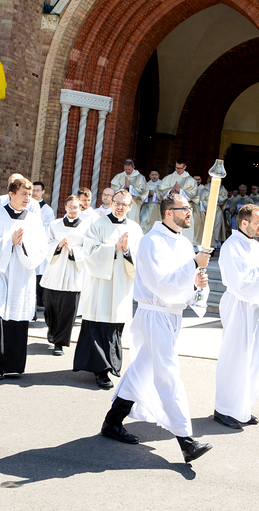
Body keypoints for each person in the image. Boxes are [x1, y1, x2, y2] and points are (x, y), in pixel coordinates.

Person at [100, 193, 213, 464]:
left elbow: (185, 281)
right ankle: (186, 441)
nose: (189, 212)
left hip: (173, 315)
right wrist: (193, 264)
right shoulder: (152, 241)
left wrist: (197, 284)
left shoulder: (184, 242)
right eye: (184, 208)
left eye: (190, 208)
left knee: (142, 369)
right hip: (155, 314)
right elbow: (161, 283)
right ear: (168, 212)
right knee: (167, 374)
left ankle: (112, 421)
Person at [0, 176, 49, 384]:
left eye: (30, 194)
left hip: (20, 276)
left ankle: (4, 366)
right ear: (11, 194)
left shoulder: (33, 220)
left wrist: (21, 245)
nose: (28, 198)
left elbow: (41, 249)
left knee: (15, 321)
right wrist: (9, 241)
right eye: (24, 193)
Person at [214, 203, 259, 429]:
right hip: (238, 305)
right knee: (235, 358)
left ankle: (241, 407)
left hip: (254, 307)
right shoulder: (231, 246)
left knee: (253, 357)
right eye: (258, 222)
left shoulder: (256, 246)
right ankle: (224, 409)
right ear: (244, 223)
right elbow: (239, 281)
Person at [74, 189, 143, 389]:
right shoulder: (99, 224)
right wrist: (114, 248)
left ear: (130, 207)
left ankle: (111, 365)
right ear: (111, 203)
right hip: (100, 285)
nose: (120, 207)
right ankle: (100, 370)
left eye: (124, 204)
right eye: (117, 203)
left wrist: (127, 250)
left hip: (121, 285)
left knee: (114, 328)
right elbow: (89, 252)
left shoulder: (135, 228)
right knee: (98, 325)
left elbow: (141, 257)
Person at [40, 196, 88, 356]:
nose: (73, 210)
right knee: (49, 308)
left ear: (80, 208)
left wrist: (74, 250)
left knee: (67, 311)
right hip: (54, 271)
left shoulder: (86, 228)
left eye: (76, 207)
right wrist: (58, 245)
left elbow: (88, 249)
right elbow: (45, 244)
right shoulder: (54, 225)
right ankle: (52, 332)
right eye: (70, 207)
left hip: (73, 272)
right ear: (65, 207)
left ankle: (59, 343)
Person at [157, 160, 199, 245]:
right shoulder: (169, 178)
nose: (177, 170)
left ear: (185, 167)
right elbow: (160, 189)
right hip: (170, 209)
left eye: (180, 168)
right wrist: (170, 190)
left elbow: (193, 194)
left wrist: (180, 191)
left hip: (184, 210)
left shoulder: (191, 180)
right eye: (176, 168)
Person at [32, 181, 56, 314]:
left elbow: (48, 227)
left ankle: (40, 301)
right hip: (28, 244)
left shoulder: (47, 210)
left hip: (40, 244)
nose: (34, 193)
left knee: (39, 274)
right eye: (33, 190)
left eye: (37, 190)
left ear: (43, 192)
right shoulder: (27, 206)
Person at [111, 159, 147, 224]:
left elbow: (143, 192)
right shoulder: (120, 176)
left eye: (129, 169)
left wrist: (130, 187)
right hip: (121, 203)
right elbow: (114, 188)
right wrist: (124, 187)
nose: (127, 171)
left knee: (131, 221)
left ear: (133, 167)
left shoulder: (140, 178)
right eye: (125, 169)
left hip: (134, 204)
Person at [139, 170, 161, 234]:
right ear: (149, 176)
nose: (154, 176)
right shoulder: (146, 184)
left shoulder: (161, 184)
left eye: (156, 175)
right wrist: (146, 194)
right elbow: (141, 195)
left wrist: (154, 194)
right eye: (152, 175)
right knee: (144, 221)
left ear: (158, 175)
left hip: (157, 208)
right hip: (147, 207)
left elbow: (163, 196)